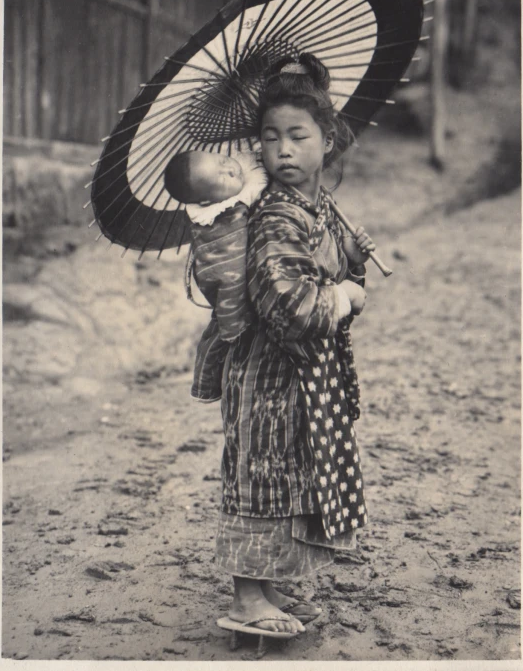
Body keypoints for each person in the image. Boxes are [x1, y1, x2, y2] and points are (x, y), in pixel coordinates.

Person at [214, 52, 376, 635]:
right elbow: (286, 302)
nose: (281, 149)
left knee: (286, 474)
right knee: (259, 473)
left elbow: (325, 262)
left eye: (297, 135)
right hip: (266, 375)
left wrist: (349, 257)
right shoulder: (276, 214)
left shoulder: (315, 207)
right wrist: (342, 297)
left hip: (295, 375)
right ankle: (245, 599)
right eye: (269, 136)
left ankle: (268, 586)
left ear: (327, 140)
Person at [163, 148, 268, 402]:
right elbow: (223, 267)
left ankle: (205, 384)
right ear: (209, 201)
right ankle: (206, 385)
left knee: (219, 328)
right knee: (225, 325)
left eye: (223, 161)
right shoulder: (223, 211)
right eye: (222, 177)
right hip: (222, 270)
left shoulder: (238, 173)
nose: (230, 169)